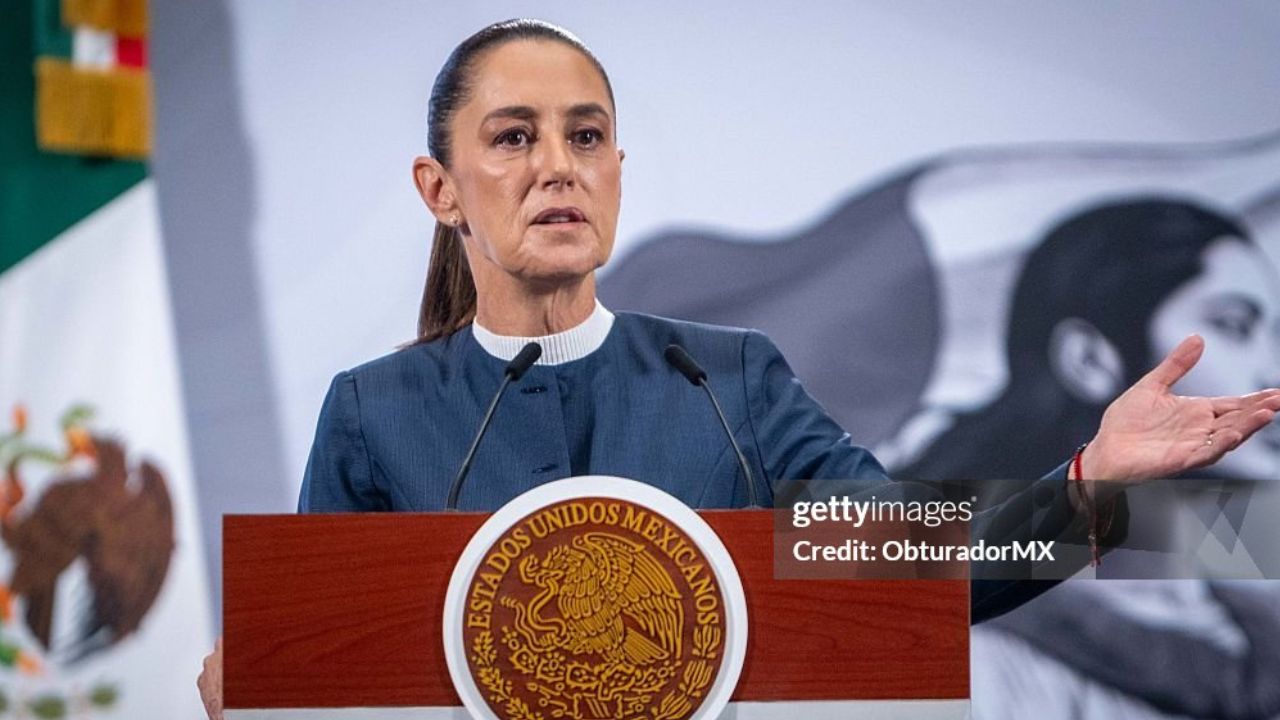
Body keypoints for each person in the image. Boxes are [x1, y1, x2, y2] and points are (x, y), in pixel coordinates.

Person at [197, 20, 1280, 720]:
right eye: (512, 138)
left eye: (584, 137)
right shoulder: (374, 411)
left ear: (616, 174)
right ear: (440, 189)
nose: (555, 169)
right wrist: (261, 678)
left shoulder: (732, 383)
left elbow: (923, 562)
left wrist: (1094, 484)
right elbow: (331, 674)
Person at [897, 198, 1280, 719]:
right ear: (1089, 359)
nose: (1272, 369)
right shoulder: (970, 640)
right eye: (1235, 325)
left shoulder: (1229, 610)